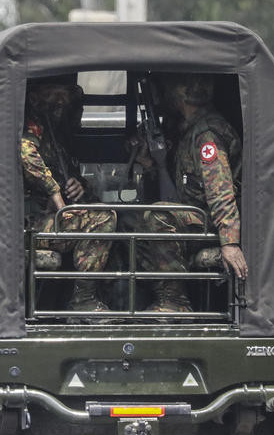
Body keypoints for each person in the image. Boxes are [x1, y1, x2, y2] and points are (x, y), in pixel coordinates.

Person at [135, 73, 246, 312]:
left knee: (159, 216)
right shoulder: (186, 131)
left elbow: (220, 190)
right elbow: (182, 187)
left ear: (177, 95)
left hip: (209, 222)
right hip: (194, 219)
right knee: (130, 222)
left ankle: (176, 302)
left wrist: (230, 242)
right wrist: (153, 166)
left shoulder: (207, 135)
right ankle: (152, 298)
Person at [21, 79, 117, 312]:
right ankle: (83, 301)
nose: (62, 105)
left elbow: (68, 175)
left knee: (113, 219)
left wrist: (79, 186)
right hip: (30, 223)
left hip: (51, 220)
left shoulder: (57, 137)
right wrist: (54, 191)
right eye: (55, 98)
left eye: (65, 100)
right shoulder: (32, 126)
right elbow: (24, 152)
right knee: (103, 218)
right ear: (37, 98)